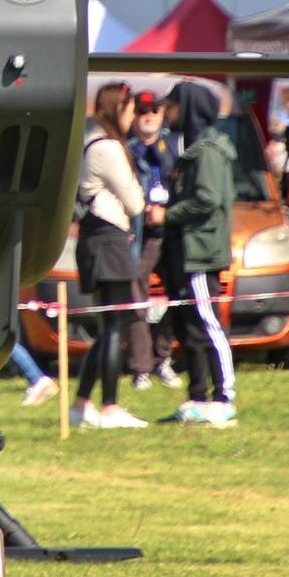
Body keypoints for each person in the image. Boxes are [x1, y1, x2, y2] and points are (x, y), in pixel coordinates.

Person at [68, 82, 147, 429]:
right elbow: (135, 201)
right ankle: (110, 407)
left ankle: (82, 404)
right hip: (107, 240)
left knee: (107, 329)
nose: (133, 118)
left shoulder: (92, 142)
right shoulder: (107, 148)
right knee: (115, 326)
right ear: (119, 109)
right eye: (131, 110)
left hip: (98, 238)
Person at [158, 83, 237, 427]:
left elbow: (207, 199)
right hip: (185, 251)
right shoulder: (192, 148)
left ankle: (224, 397)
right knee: (188, 329)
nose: (166, 113)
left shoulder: (206, 151)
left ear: (185, 108)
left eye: (170, 106)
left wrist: (167, 214)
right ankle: (197, 397)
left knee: (208, 323)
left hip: (200, 253)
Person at [124, 91, 180, 389]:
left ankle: (163, 357)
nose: (149, 116)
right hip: (140, 235)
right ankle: (141, 367)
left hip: (170, 231)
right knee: (136, 300)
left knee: (179, 296)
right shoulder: (125, 151)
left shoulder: (173, 148)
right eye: (143, 110)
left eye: (154, 110)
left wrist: (167, 212)